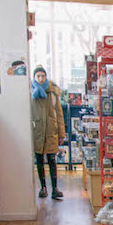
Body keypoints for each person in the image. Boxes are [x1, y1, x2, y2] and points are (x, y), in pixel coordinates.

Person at [30, 66, 64, 200]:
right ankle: (43, 187)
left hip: (51, 131)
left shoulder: (52, 93)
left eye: (43, 76)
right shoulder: (31, 94)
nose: (40, 78)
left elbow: (60, 115)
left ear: (46, 77)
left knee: (52, 159)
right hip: (37, 131)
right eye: (38, 76)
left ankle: (55, 188)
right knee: (38, 160)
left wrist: (62, 134)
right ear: (34, 77)